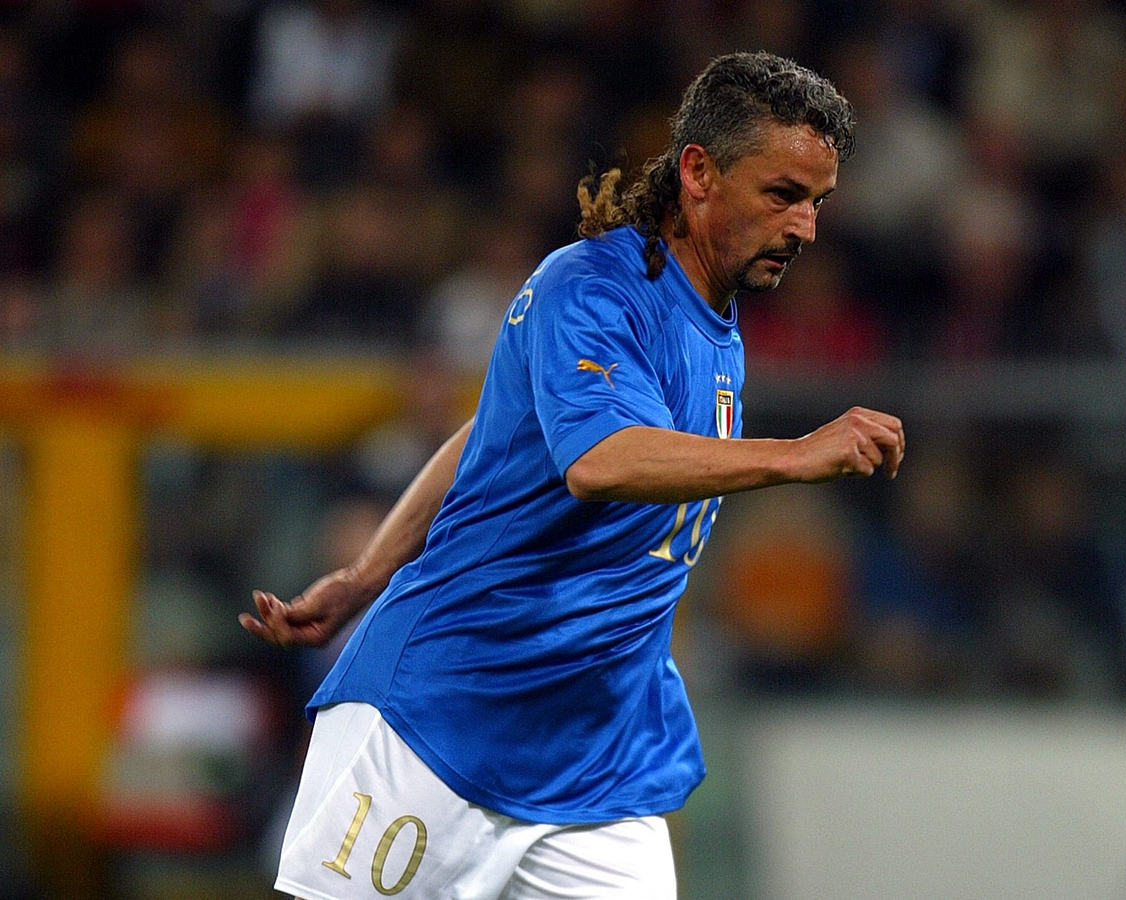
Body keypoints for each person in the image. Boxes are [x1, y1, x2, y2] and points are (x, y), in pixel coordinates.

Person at [240, 50, 905, 900]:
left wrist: (365, 573)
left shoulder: (714, 320)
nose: (805, 228)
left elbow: (496, 430)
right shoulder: (591, 288)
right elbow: (598, 461)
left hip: (598, 766)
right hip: (447, 722)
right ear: (699, 173)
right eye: (782, 194)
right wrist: (794, 454)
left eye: (818, 202)